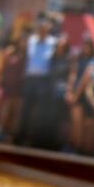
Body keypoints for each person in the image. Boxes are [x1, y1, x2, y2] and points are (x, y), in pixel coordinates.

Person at [20, 16, 60, 150]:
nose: (43, 31)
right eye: (41, 28)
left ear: (48, 30)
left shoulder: (53, 42)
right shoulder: (31, 40)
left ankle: (33, 140)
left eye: (45, 28)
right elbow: (25, 56)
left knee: (38, 112)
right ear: (38, 29)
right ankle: (20, 137)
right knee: (25, 109)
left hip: (43, 81)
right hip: (29, 79)